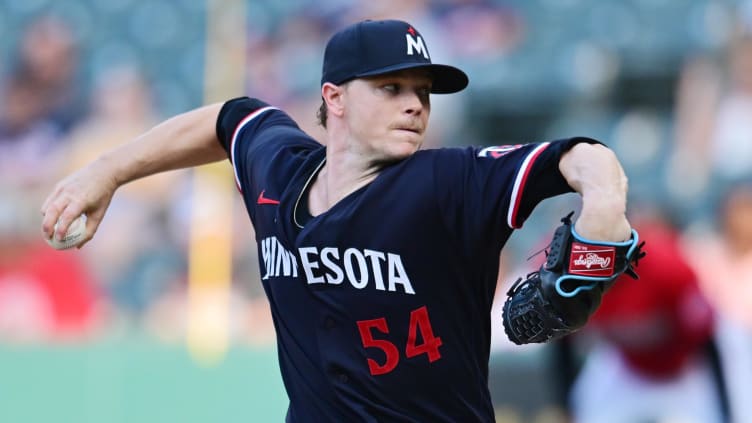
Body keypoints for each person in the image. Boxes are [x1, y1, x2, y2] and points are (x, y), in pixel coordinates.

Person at [41, 19, 639, 422]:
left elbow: (581, 158)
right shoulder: (279, 170)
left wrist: (604, 215)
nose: (415, 104)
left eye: (423, 91)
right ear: (335, 98)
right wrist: (108, 171)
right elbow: (229, 120)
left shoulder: (448, 183)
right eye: (392, 87)